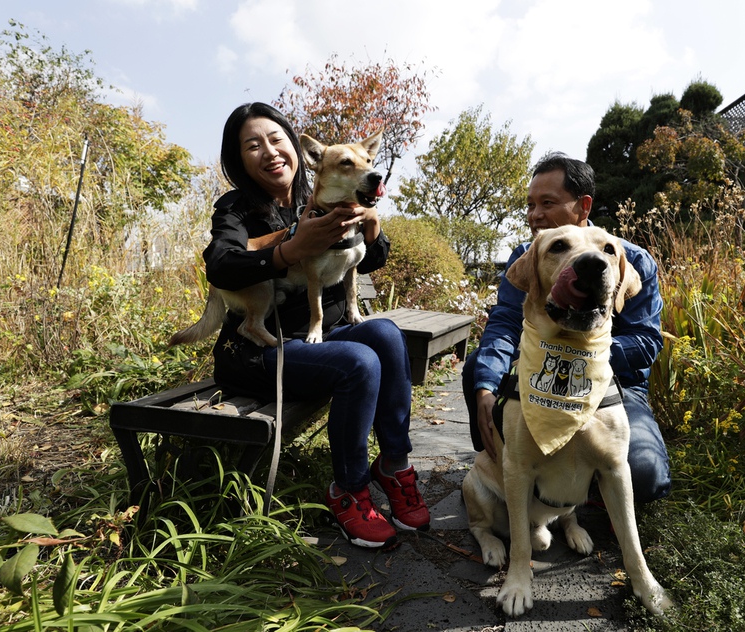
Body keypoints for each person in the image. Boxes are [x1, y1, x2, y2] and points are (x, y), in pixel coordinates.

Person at [202, 102, 428, 549]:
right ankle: (348, 487)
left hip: (321, 338)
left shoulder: (331, 191)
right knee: (359, 361)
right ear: (239, 158)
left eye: (275, 139)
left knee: (385, 333)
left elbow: (374, 259)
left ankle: (394, 463)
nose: (269, 152)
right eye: (253, 145)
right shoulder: (235, 210)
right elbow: (220, 265)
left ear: (293, 145)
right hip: (259, 353)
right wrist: (287, 250)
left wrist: (373, 226)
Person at [461, 152, 671, 503]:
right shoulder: (527, 255)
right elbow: (505, 323)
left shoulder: (630, 260)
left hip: (613, 387)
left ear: (583, 206)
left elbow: (646, 341)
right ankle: (508, 470)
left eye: (547, 203)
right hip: (538, 377)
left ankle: (573, 489)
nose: (534, 215)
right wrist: (485, 386)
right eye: (530, 205)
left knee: (645, 476)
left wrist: (574, 353)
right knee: (477, 369)